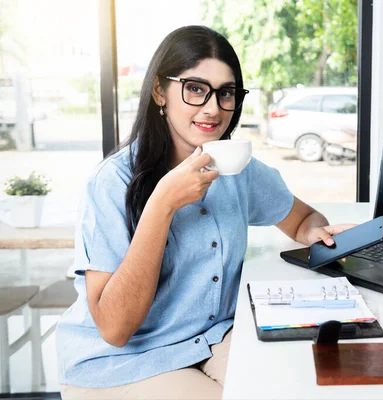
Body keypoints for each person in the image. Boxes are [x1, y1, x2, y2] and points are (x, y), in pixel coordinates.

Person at [56, 25, 353, 400]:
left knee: (299, 383)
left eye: (226, 93)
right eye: (195, 88)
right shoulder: (112, 182)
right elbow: (115, 329)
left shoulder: (234, 166)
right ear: (160, 92)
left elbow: (302, 219)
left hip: (210, 339)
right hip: (122, 360)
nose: (213, 108)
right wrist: (162, 205)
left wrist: (313, 233)